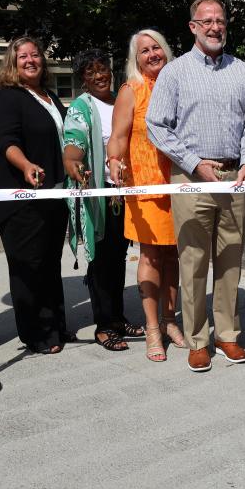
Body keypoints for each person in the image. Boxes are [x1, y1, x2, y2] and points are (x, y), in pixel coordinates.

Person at [146, 0, 245, 373]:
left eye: (220, 21)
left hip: (234, 177)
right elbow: (156, 124)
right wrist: (195, 164)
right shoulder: (175, 73)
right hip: (191, 177)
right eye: (206, 21)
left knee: (230, 259)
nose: (215, 27)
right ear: (193, 26)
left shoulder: (244, 72)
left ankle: (227, 334)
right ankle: (198, 340)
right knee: (193, 262)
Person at [0, 36, 71, 354]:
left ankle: (56, 327)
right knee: (28, 266)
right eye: (22, 56)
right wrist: (25, 165)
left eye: (35, 55)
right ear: (12, 62)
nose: (30, 60)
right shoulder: (8, 97)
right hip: (20, 197)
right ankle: (36, 333)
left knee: (49, 263)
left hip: (52, 195)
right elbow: (6, 141)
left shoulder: (49, 96)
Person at [107, 30, 182, 362]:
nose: (152, 54)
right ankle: (153, 328)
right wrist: (113, 162)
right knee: (151, 256)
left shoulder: (179, 84)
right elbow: (118, 137)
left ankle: (171, 321)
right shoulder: (130, 90)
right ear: (134, 60)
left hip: (180, 182)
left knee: (174, 257)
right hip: (146, 185)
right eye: (144, 51)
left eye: (157, 48)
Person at [63, 49, 143, 352]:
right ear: (83, 78)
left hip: (127, 194)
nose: (99, 75)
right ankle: (104, 326)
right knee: (100, 262)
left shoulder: (123, 99)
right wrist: (74, 164)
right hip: (101, 194)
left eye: (102, 69)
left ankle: (118, 318)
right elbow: (73, 143)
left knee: (118, 258)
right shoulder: (82, 107)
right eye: (90, 72)